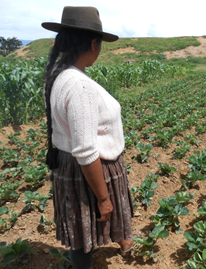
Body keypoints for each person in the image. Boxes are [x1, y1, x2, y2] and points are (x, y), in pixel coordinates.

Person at [42, 6, 137, 269]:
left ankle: (125, 243)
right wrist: (103, 197)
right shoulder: (80, 85)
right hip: (90, 169)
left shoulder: (60, 75)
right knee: (86, 228)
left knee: (80, 225)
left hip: (69, 166)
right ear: (94, 43)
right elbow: (85, 150)